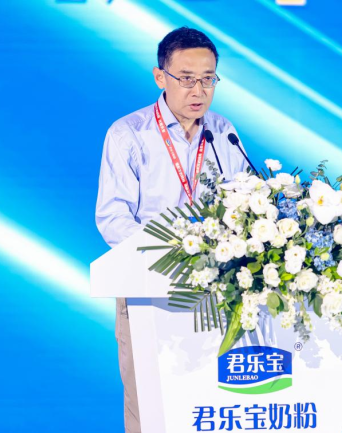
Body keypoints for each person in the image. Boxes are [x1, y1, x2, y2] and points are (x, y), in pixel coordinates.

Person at [95, 27, 249, 433]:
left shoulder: (223, 132)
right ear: (160, 77)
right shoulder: (129, 133)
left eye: (208, 79)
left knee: (211, 405)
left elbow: (245, 203)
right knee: (151, 408)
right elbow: (113, 217)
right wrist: (173, 256)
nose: (198, 91)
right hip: (149, 288)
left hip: (216, 292)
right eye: (187, 78)